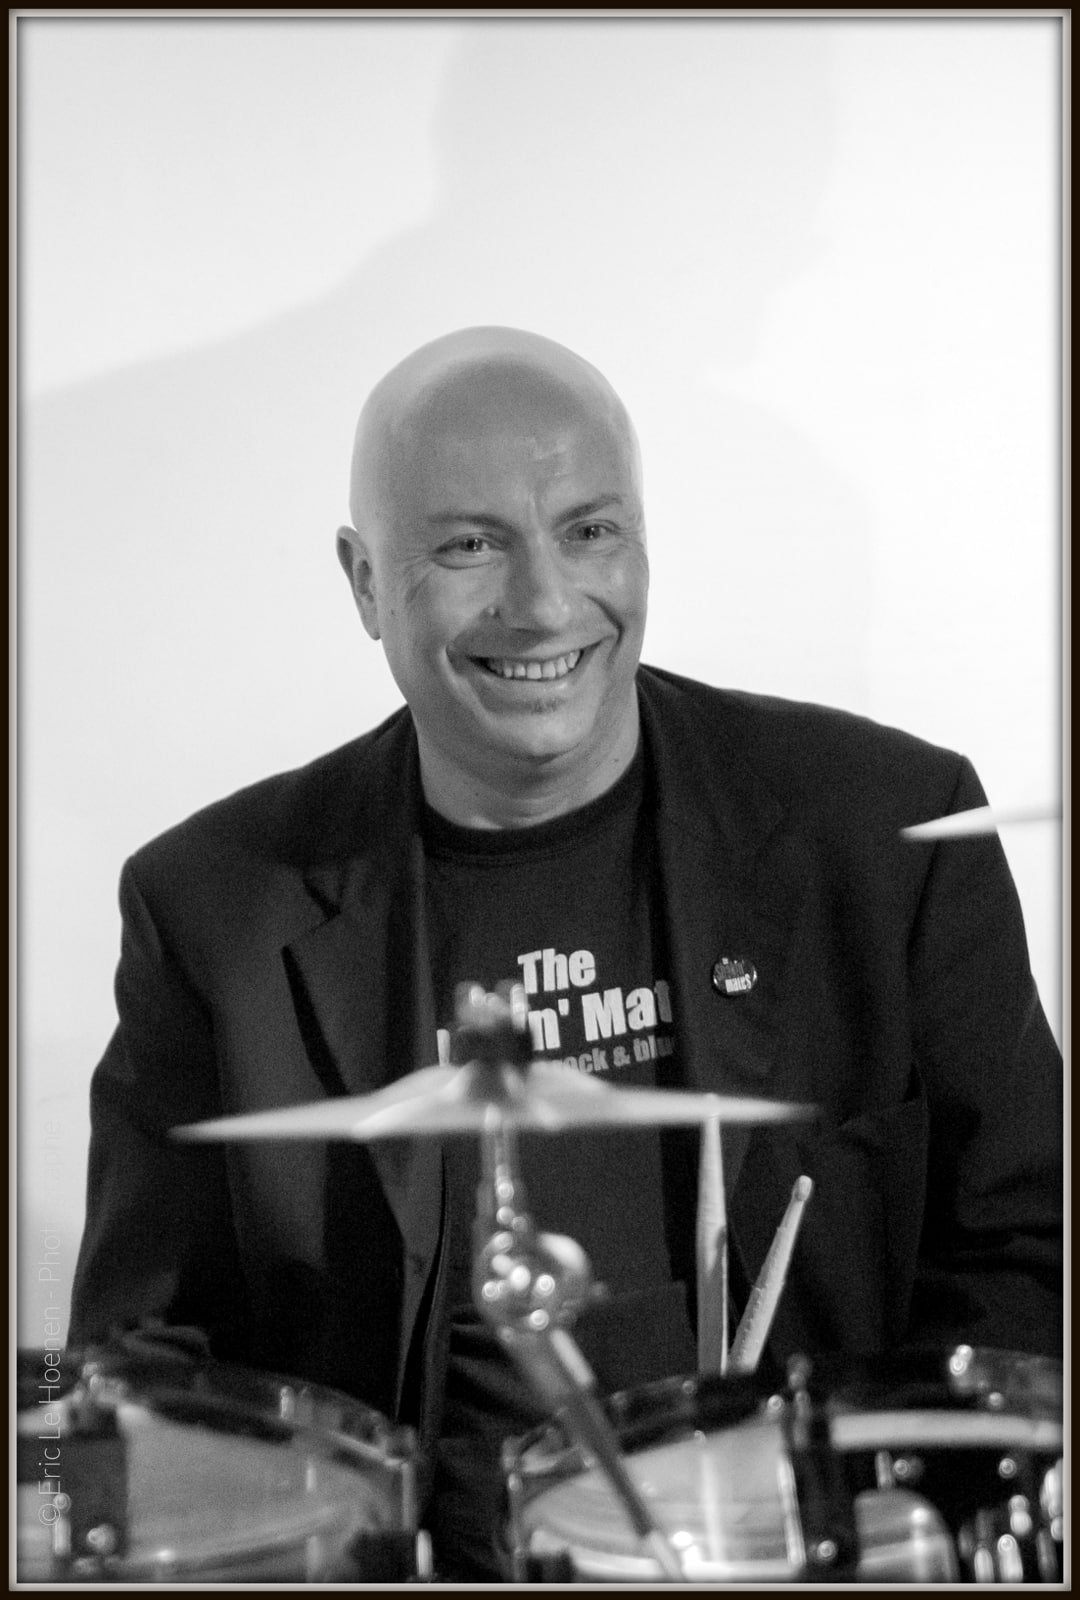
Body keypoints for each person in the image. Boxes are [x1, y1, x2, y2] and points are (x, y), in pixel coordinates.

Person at [69, 326, 1062, 1581]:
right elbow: (125, 1374)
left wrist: (903, 1515)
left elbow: (1033, 1246)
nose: (543, 604)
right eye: (468, 545)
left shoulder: (888, 834)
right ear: (365, 581)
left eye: (589, 531)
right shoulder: (212, 909)